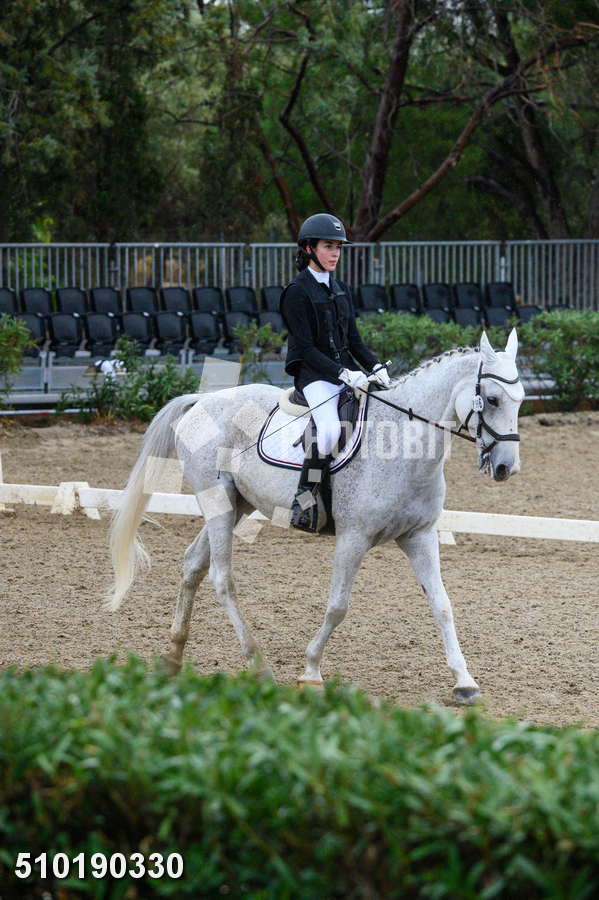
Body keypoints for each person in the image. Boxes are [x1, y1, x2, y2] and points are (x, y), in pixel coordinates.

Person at [279, 212, 392, 533]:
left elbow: (353, 340)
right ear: (309, 249)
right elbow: (305, 348)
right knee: (328, 431)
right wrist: (343, 373)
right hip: (313, 375)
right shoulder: (296, 292)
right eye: (328, 247)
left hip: (346, 371)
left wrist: (374, 366)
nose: (335, 254)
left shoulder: (340, 288)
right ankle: (304, 500)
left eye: (338, 248)